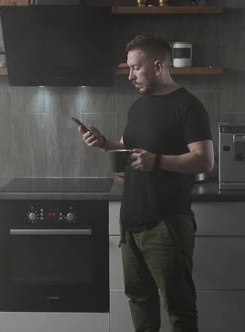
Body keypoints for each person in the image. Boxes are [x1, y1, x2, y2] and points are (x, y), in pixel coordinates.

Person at [79, 34, 214, 332]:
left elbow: (204, 160)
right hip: (132, 221)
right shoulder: (138, 107)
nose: (129, 76)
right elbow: (127, 149)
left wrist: (159, 161)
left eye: (135, 68)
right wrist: (103, 143)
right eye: (128, 68)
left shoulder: (188, 106)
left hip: (166, 224)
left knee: (179, 307)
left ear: (157, 66)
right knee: (139, 300)